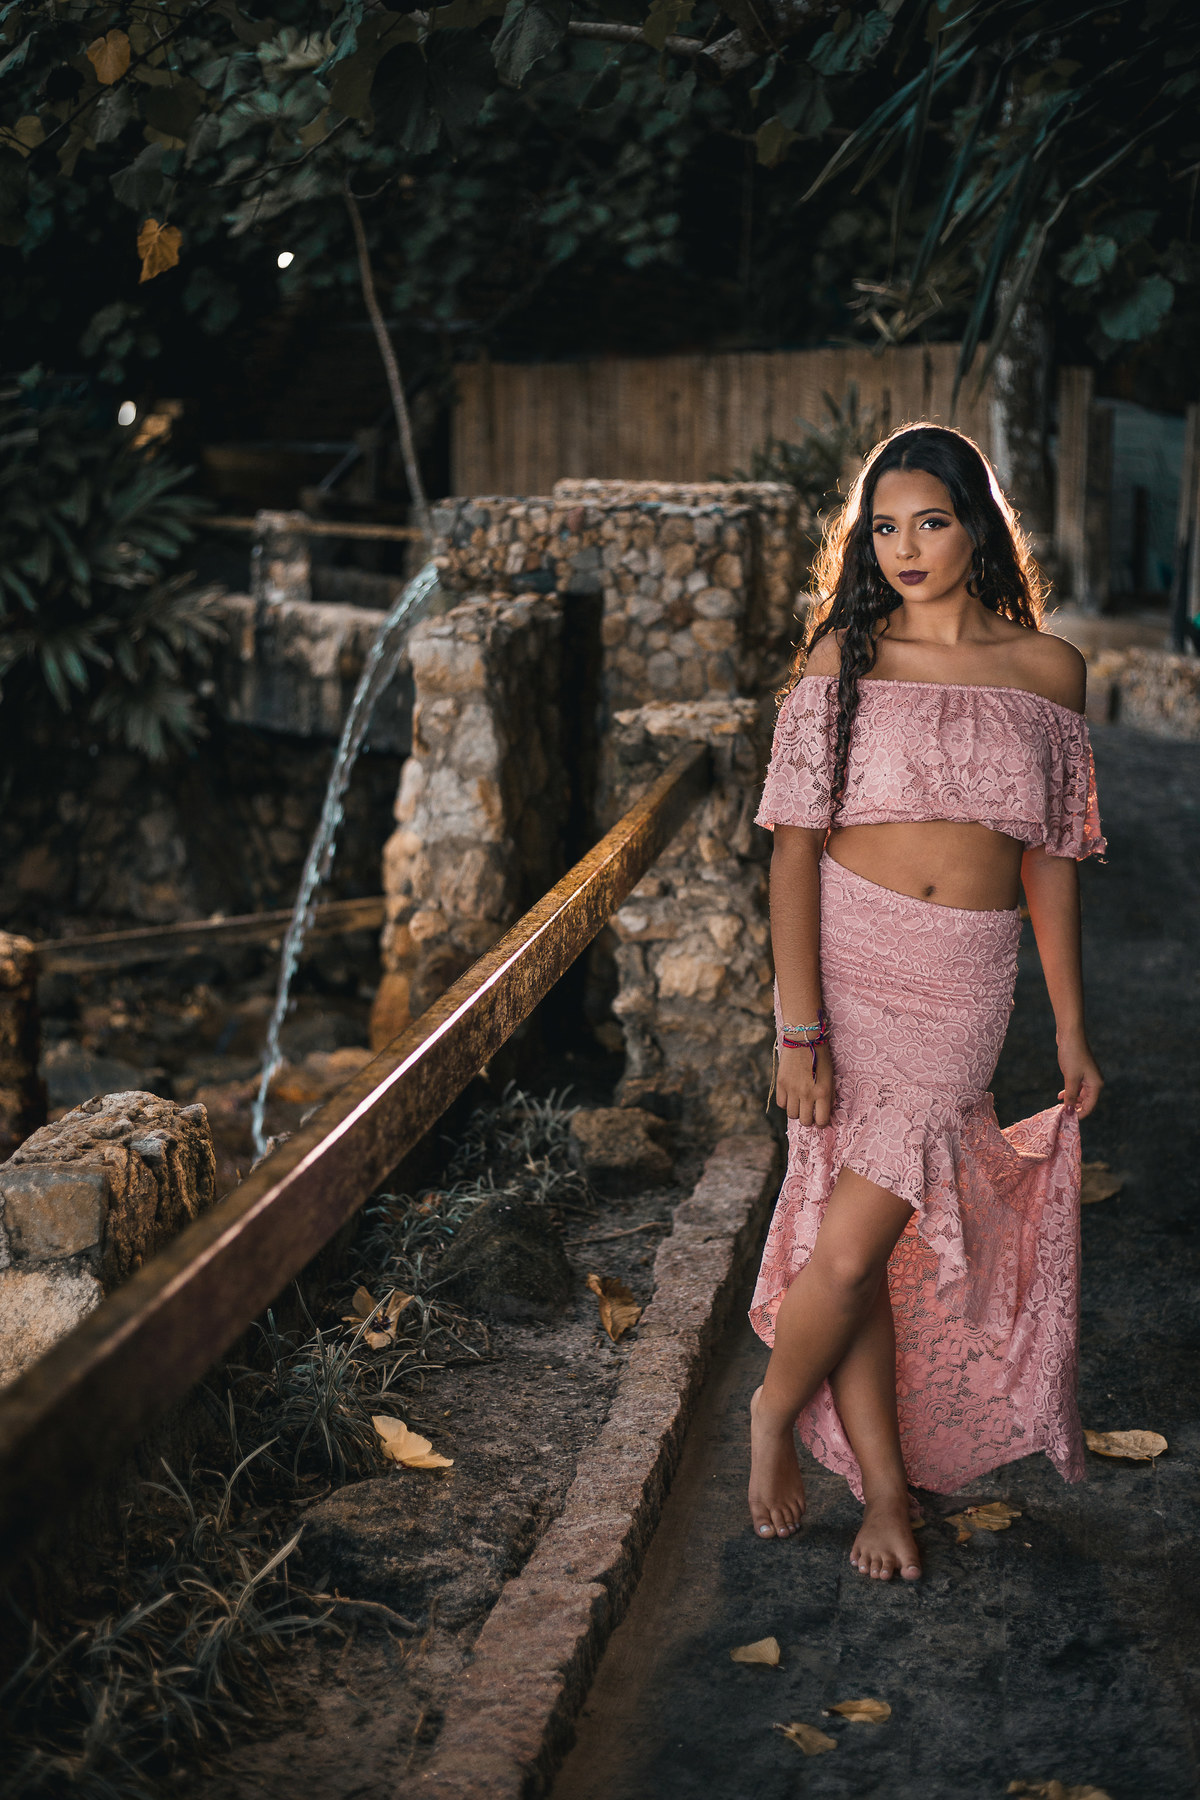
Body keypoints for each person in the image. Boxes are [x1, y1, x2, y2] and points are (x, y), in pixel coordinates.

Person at [748, 422, 1105, 1582]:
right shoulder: (838, 660)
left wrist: (1069, 1022)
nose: (905, 547)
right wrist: (797, 1028)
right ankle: (811, 1443)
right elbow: (792, 855)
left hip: (963, 980)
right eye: (884, 527)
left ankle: (841, 1459)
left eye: (932, 522)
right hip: (851, 968)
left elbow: (1049, 857)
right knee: (859, 1249)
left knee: (869, 1239)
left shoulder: (1048, 670)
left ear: (978, 527)